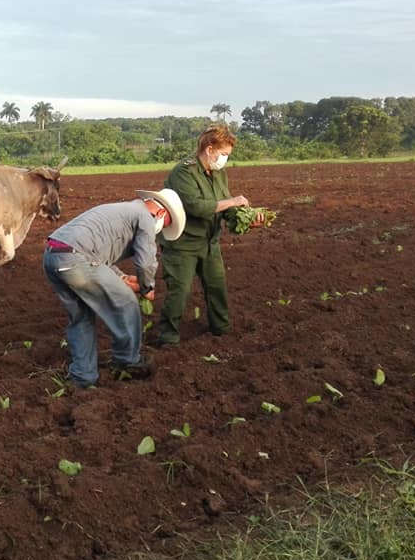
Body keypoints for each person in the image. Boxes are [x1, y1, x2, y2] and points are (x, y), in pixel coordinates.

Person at [43, 189, 185, 388]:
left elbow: (98, 256)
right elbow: (145, 262)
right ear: (161, 214)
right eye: (165, 226)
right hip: (75, 258)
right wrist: (147, 287)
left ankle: (83, 378)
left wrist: (122, 277)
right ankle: (127, 362)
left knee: (81, 317)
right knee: (126, 301)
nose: (159, 230)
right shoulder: (145, 216)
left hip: (52, 255)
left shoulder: (122, 210)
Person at [154, 124, 262, 347]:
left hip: (209, 241)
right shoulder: (183, 172)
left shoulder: (219, 173)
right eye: (223, 154)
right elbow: (196, 206)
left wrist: (246, 218)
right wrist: (233, 201)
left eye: (228, 156)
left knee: (216, 287)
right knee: (179, 292)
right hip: (182, 243)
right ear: (209, 149)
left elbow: (225, 205)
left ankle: (221, 330)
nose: (225, 160)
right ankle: (168, 338)